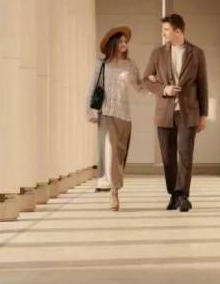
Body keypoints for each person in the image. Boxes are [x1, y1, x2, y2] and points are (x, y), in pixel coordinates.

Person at [142, 14, 208, 212]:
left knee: (185, 156)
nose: (163, 33)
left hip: (189, 112)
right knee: (168, 158)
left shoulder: (197, 53)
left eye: (166, 30)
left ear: (177, 30)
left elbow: (203, 86)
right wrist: (164, 89)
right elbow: (146, 80)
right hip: (165, 113)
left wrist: (204, 115)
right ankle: (173, 194)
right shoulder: (157, 54)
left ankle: (183, 196)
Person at [87, 26, 145, 211]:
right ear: (113, 44)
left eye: (125, 41)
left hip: (124, 115)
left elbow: (139, 87)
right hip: (106, 112)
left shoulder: (130, 65)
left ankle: (115, 186)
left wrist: (154, 84)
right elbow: (93, 87)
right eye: (120, 41)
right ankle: (113, 193)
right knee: (110, 152)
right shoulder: (102, 65)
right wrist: (91, 111)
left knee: (119, 155)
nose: (124, 44)